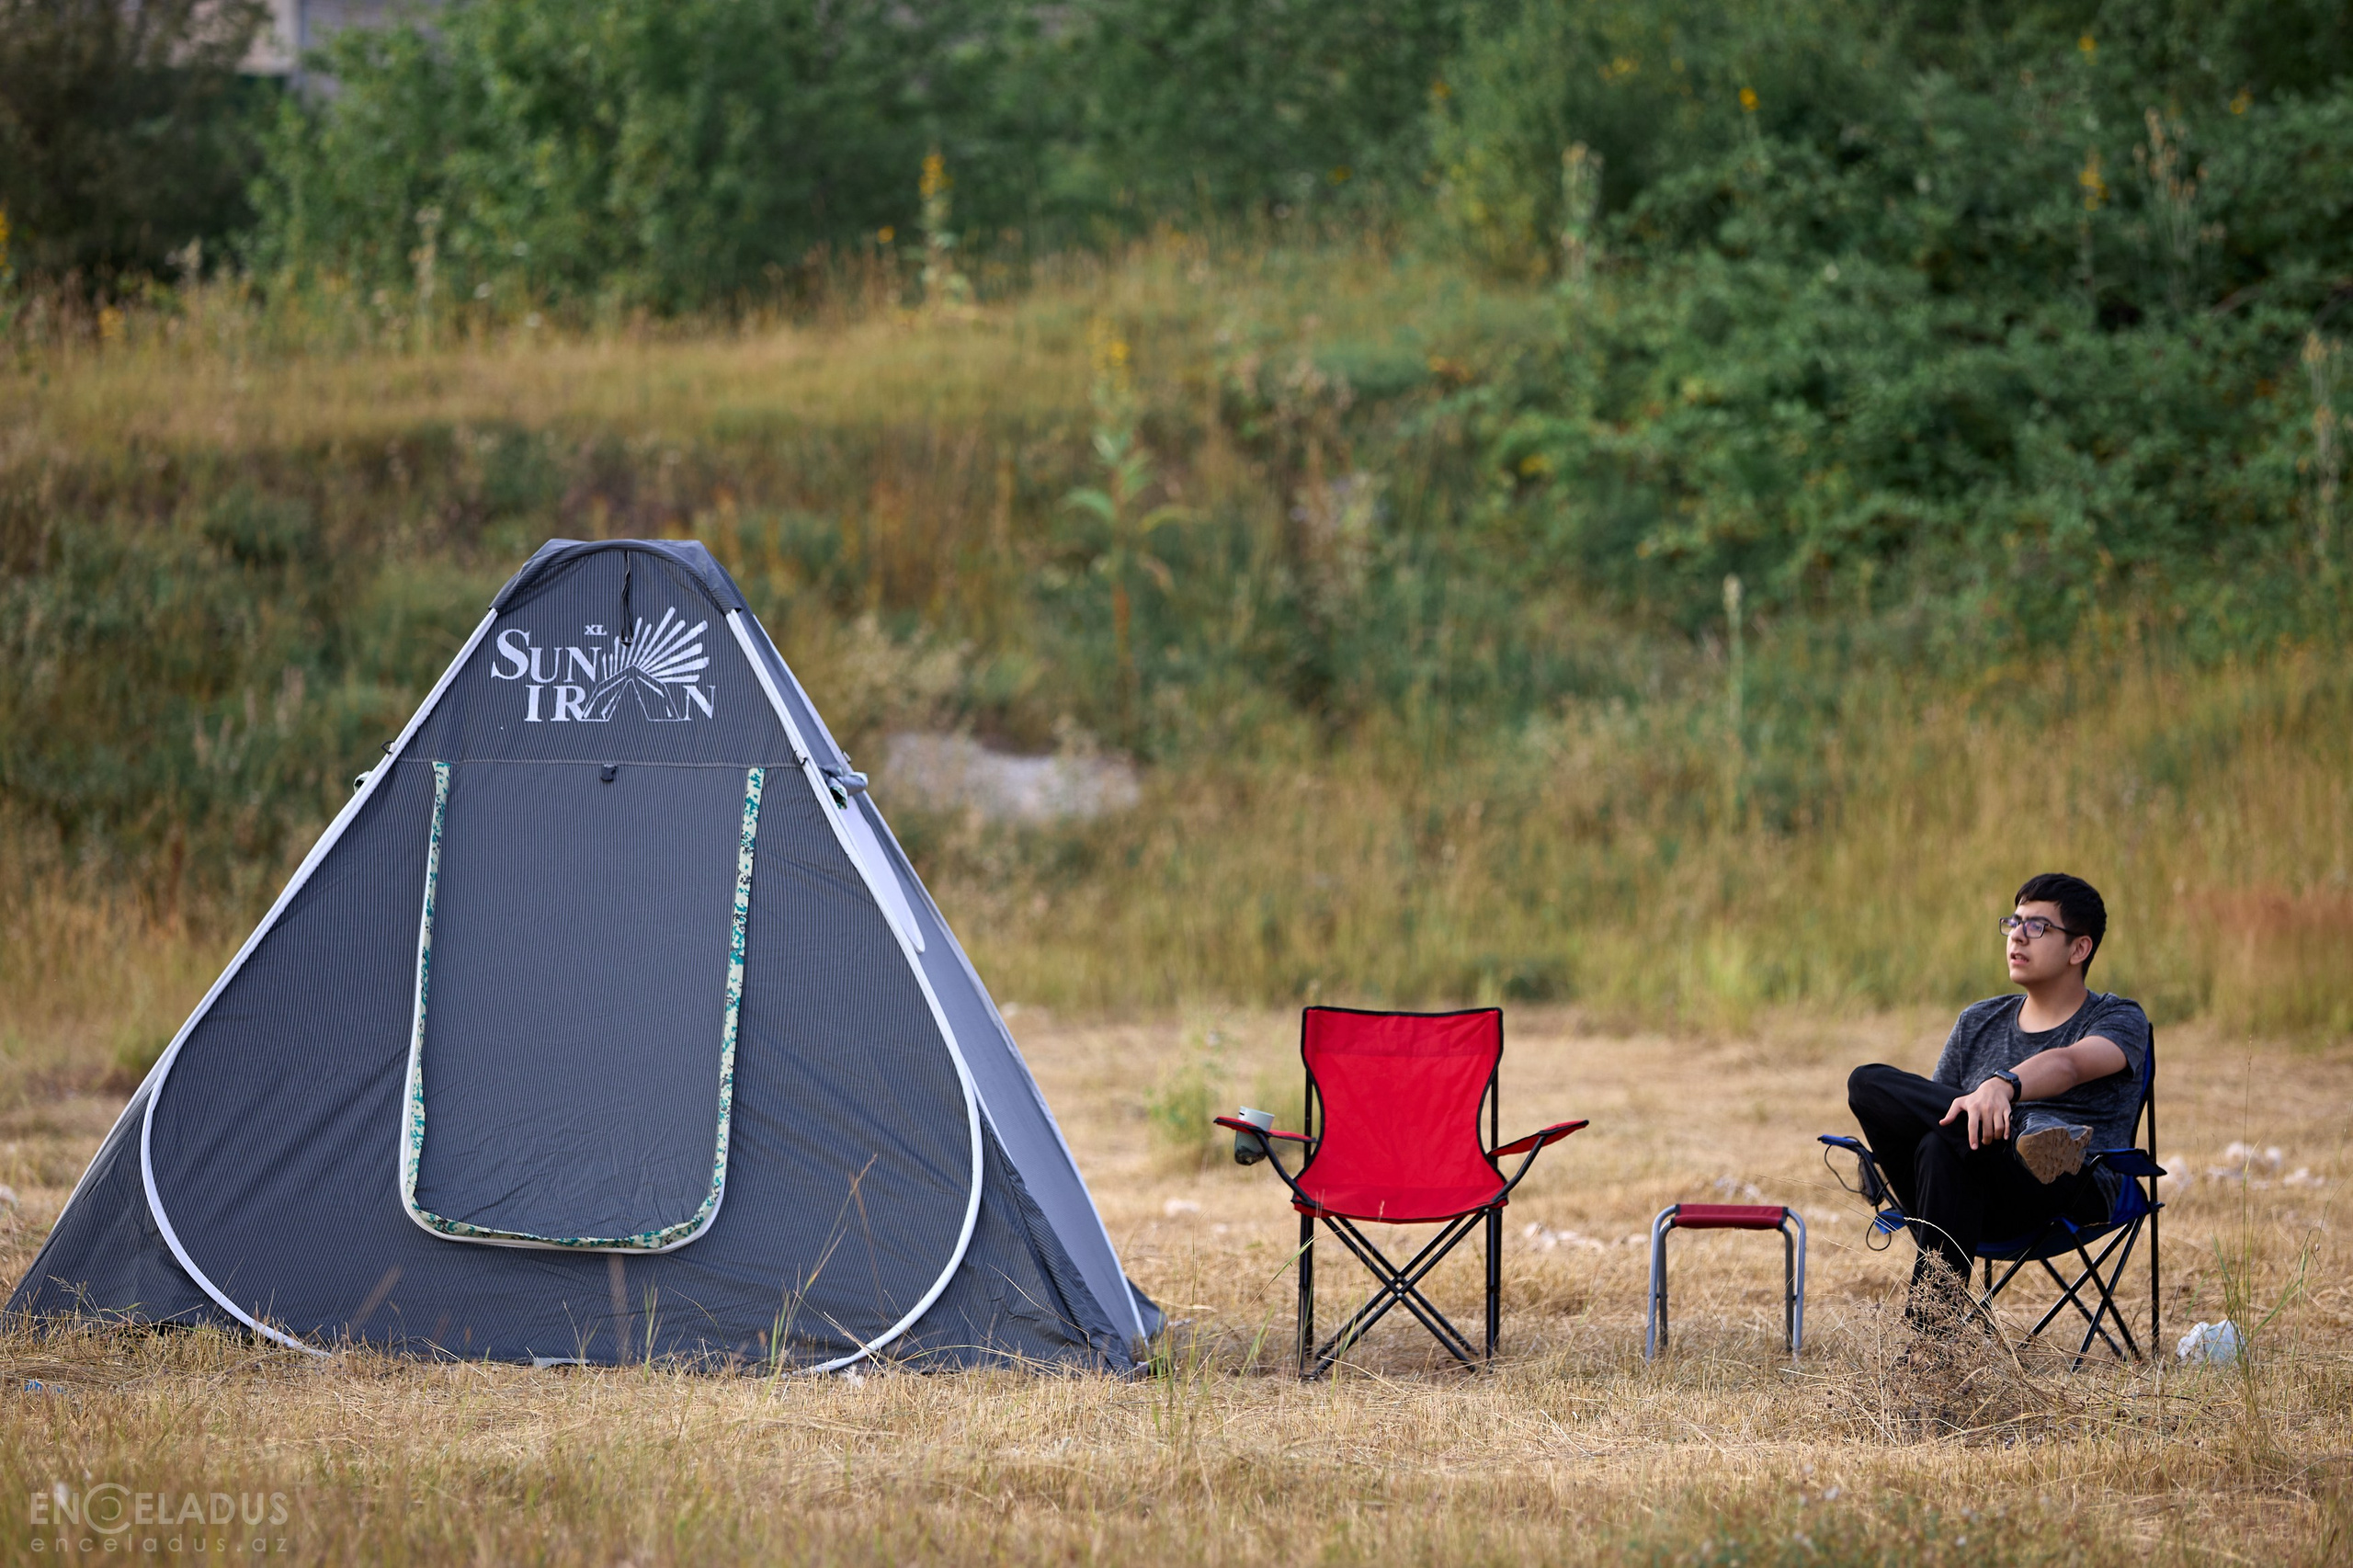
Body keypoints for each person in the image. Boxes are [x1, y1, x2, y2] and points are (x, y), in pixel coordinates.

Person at [1844, 872, 2150, 1325]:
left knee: (1945, 1143)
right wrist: (1986, 1108)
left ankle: (1931, 1341)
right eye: (2014, 922)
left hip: (2066, 1191)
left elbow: (2069, 1065)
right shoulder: (1978, 1020)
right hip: (1964, 1191)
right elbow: (1941, 1115)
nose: (2017, 937)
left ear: (2079, 949)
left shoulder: (2118, 1018)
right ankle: (2022, 1133)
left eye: (2037, 927)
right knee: (1868, 1083)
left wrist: (2001, 1084)